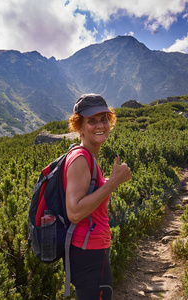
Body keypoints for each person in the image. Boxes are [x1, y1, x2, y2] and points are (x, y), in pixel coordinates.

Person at [63, 94, 132, 299]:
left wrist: (110, 180)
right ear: (79, 126)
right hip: (89, 251)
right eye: (91, 121)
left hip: (90, 248)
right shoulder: (81, 159)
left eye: (103, 119)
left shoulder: (88, 156)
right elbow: (74, 212)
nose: (100, 125)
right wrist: (113, 183)